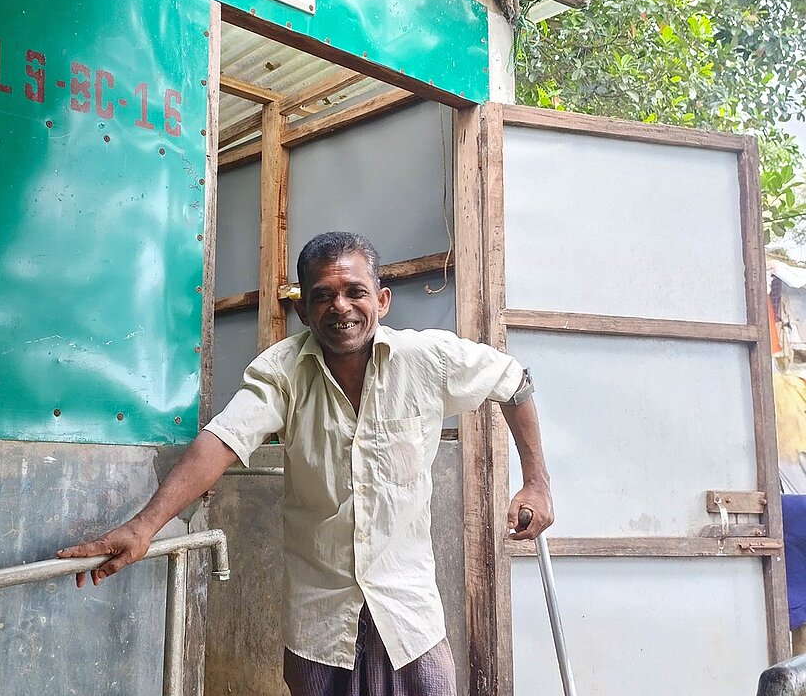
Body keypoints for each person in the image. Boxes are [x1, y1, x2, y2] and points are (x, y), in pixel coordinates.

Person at [57, 231, 554, 696]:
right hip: (320, 622)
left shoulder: (428, 359)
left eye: (355, 291)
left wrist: (536, 483)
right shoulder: (282, 370)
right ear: (304, 313)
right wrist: (144, 527)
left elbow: (515, 383)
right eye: (322, 295)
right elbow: (222, 440)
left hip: (409, 615)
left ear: (381, 300)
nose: (341, 307)